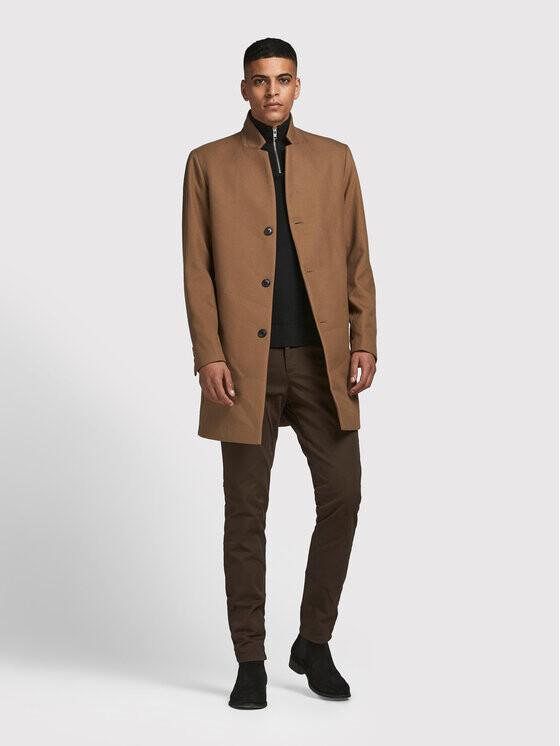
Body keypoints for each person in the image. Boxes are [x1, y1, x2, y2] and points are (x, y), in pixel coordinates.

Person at [181, 37, 378, 709]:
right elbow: (197, 268)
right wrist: (209, 353)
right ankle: (249, 658)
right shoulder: (207, 164)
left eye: (283, 79)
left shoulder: (335, 158)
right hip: (243, 366)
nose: (271, 90)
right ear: (244, 88)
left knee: (343, 496)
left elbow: (356, 255)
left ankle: (313, 642)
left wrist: (363, 338)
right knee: (246, 513)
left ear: (298, 86)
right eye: (260, 80)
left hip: (324, 362)